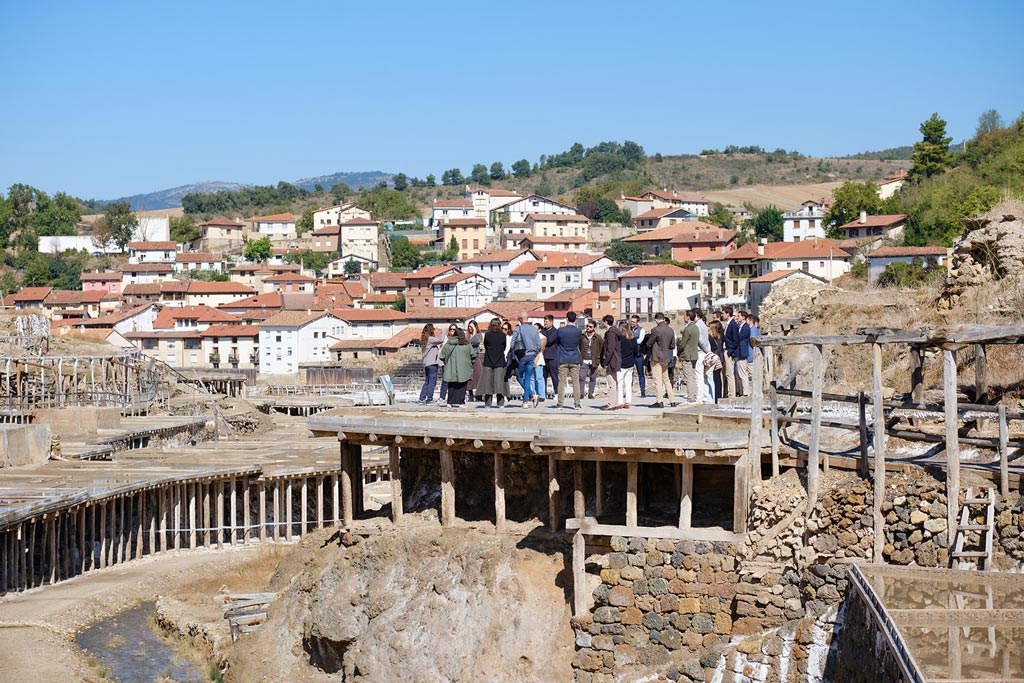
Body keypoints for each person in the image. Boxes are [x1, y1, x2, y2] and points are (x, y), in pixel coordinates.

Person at [508, 311, 542, 408]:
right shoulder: (534, 329)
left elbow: (512, 344)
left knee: (519, 376)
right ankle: (526, 401)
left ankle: (530, 397)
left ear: (520, 319)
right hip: (532, 356)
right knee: (527, 378)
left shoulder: (518, 329)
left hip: (522, 356)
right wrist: (534, 353)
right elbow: (539, 345)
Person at [478, 318, 509, 408]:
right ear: (499, 325)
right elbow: (504, 347)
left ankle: (488, 404)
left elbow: (486, 346)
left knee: (488, 384)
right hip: (500, 361)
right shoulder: (503, 336)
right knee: (500, 384)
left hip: (488, 361)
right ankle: (500, 403)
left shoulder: (487, 335)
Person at [555, 311, 583, 409]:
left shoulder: (560, 330)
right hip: (574, 357)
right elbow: (579, 343)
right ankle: (577, 403)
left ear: (567, 318)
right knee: (575, 382)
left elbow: (557, 342)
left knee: (561, 382)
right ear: (575, 319)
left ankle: (560, 403)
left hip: (563, 357)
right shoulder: (578, 331)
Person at [649, 312, 677, 408]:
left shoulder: (655, 330)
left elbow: (649, 343)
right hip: (666, 357)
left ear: (656, 319)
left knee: (658, 380)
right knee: (667, 380)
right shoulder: (670, 330)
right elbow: (673, 345)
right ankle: (672, 400)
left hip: (656, 357)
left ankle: (659, 401)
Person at [440, 328, 473, 408]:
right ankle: (461, 402)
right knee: (462, 385)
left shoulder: (449, 343)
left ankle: (450, 402)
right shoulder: (466, 344)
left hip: (451, 367)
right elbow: (473, 355)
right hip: (464, 368)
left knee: (451, 385)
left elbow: (442, 355)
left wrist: (447, 362)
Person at [677, 310, 700, 403]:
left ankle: (691, 397)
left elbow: (683, 343)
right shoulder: (695, 327)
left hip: (687, 355)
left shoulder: (688, 329)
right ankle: (694, 395)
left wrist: (678, 351)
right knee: (693, 377)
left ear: (688, 317)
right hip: (694, 354)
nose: (683, 318)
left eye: (684, 316)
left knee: (688, 378)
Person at [600, 315, 621, 411]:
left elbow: (610, 348)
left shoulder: (610, 333)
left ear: (605, 322)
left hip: (612, 360)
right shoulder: (615, 332)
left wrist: (605, 361)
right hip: (615, 359)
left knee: (611, 382)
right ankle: (614, 402)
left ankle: (611, 404)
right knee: (614, 382)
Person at [417, 324, 443, 404]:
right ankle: (430, 398)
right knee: (432, 381)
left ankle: (422, 398)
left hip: (426, 363)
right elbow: (441, 340)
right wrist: (443, 331)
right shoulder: (430, 339)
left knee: (427, 381)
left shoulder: (424, 339)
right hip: (432, 363)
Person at [578, 319, 603, 400]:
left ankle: (590, 393)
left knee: (593, 377)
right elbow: (579, 346)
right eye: (587, 326)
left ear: (594, 328)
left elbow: (601, 348)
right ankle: (581, 393)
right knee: (582, 377)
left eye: (590, 327)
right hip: (584, 359)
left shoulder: (598, 337)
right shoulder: (582, 336)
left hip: (594, 360)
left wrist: (599, 359)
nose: (588, 328)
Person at [617, 321, 638, 409]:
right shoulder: (632, 338)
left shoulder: (619, 339)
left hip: (621, 363)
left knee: (619, 383)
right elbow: (636, 351)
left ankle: (620, 401)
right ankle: (628, 401)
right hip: (630, 363)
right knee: (628, 383)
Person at [438, 323, 459, 405]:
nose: (452, 331)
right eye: (451, 329)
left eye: (454, 329)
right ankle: (442, 397)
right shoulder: (446, 339)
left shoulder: (458, 339)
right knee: (445, 380)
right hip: (446, 363)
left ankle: (454, 397)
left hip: (455, 363)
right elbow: (442, 350)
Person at [694, 309, 710, 404]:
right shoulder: (703, 324)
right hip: (704, 352)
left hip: (700, 352)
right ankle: (705, 396)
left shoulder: (697, 325)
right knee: (704, 376)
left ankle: (699, 397)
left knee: (699, 376)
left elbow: (700, 340)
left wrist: (705, 349)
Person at [629, 315, 648, 398]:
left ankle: (643, 391)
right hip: (629, 354)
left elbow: (640, 340)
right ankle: (629, 390)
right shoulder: (628, 329)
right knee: (629, 373)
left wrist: (630, 340)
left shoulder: (641, 330)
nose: (631, 323)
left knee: (641, 373)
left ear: (637, 322)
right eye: (631, 321)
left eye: (633, 321)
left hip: (638, 354)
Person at [541, 314, 559, 398]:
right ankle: (543, 393)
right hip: (543, 356)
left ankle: (556, 393)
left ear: (551, 322)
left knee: (554, 376)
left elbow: (549, 341)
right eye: (544, 321)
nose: (545, 323)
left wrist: (543, 339)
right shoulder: (542, 330)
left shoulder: (555, 331)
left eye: (546, 321)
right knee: (543, 376)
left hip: (552, 356)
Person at [723, 306, 739, 398]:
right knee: (728, 373)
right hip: (727, 350)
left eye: (723, 313)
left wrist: (730, 351)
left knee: (729, 373)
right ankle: (730, 392)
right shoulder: (729, 324)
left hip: (729, 351)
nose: (722, 315)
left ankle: (732, 394)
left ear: (728, 314)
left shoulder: (733, 324)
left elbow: (735, 340)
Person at [708, 320, 726, 402]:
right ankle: (718, 396)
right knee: (718, 378)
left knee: (715, 378)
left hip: (714, 358)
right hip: (720, 358)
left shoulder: (712, 338)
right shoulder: (721, 336)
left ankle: (715, 396)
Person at [735, 310, 751, 396]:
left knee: (743, 374)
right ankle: (741, 391)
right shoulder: (740, 326)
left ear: (743, 317)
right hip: (738, 352)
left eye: (739, 316)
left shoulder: (745, 327)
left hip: (742, 352)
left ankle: (746, 392)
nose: (737, 318)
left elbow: (739, 337)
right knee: (739, 374)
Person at [466, 319, 483, 402]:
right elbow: (466, 343)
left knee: (478, 376)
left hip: (476, 357)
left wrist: (474, 332)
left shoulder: (478, 335)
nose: (470, 329)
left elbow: (476, 341)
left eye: (471, 327)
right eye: (469, 327)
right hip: (468, 358)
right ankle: (470, 395)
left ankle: (479, 395)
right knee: (469, 377)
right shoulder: (467, 336)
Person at [533, 323, 548, 404]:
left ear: (539, 329)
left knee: (539, 377)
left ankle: (542, 395)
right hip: (531, 358)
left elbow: (540, 349)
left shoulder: (542, 338)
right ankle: (534, 394)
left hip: (538, 358)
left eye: (535, 328)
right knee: (532, 378)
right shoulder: (531, 337)